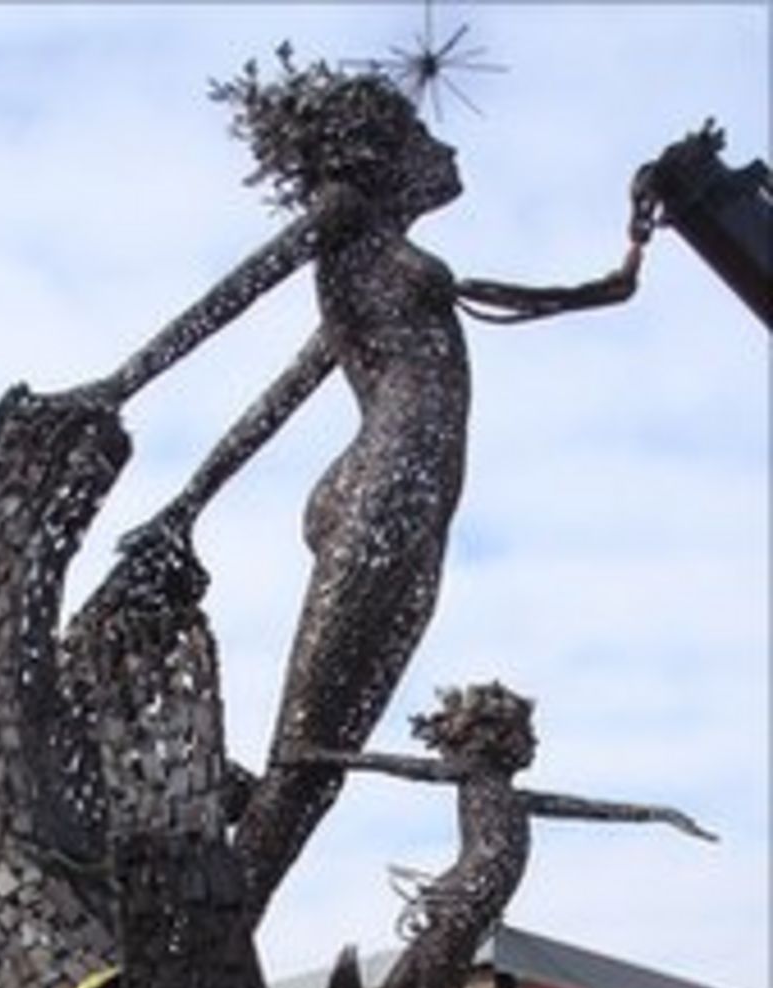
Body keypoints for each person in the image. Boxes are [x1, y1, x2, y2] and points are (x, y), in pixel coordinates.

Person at [88, 50, 641, 922]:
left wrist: (631, 257)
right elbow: (237, 293)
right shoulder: (346, 222)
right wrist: (118, 388)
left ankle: (221, 921)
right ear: (379, 152)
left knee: (325, 750)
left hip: (405, 491)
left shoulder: (391, 263)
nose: (444, 147)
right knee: (310, 748)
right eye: (422, 132)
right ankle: (207, 943)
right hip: (387, 483)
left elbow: (286, 389)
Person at [287, 682, 716, 988]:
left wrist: (660, 814)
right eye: (524, 736)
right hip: (464, 902)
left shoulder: (513, 798)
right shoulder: (475, 775)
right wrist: (323, 756)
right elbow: (400, 766)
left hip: (464, 906)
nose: (533, 745)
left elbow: (590, 807)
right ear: (491, 737)